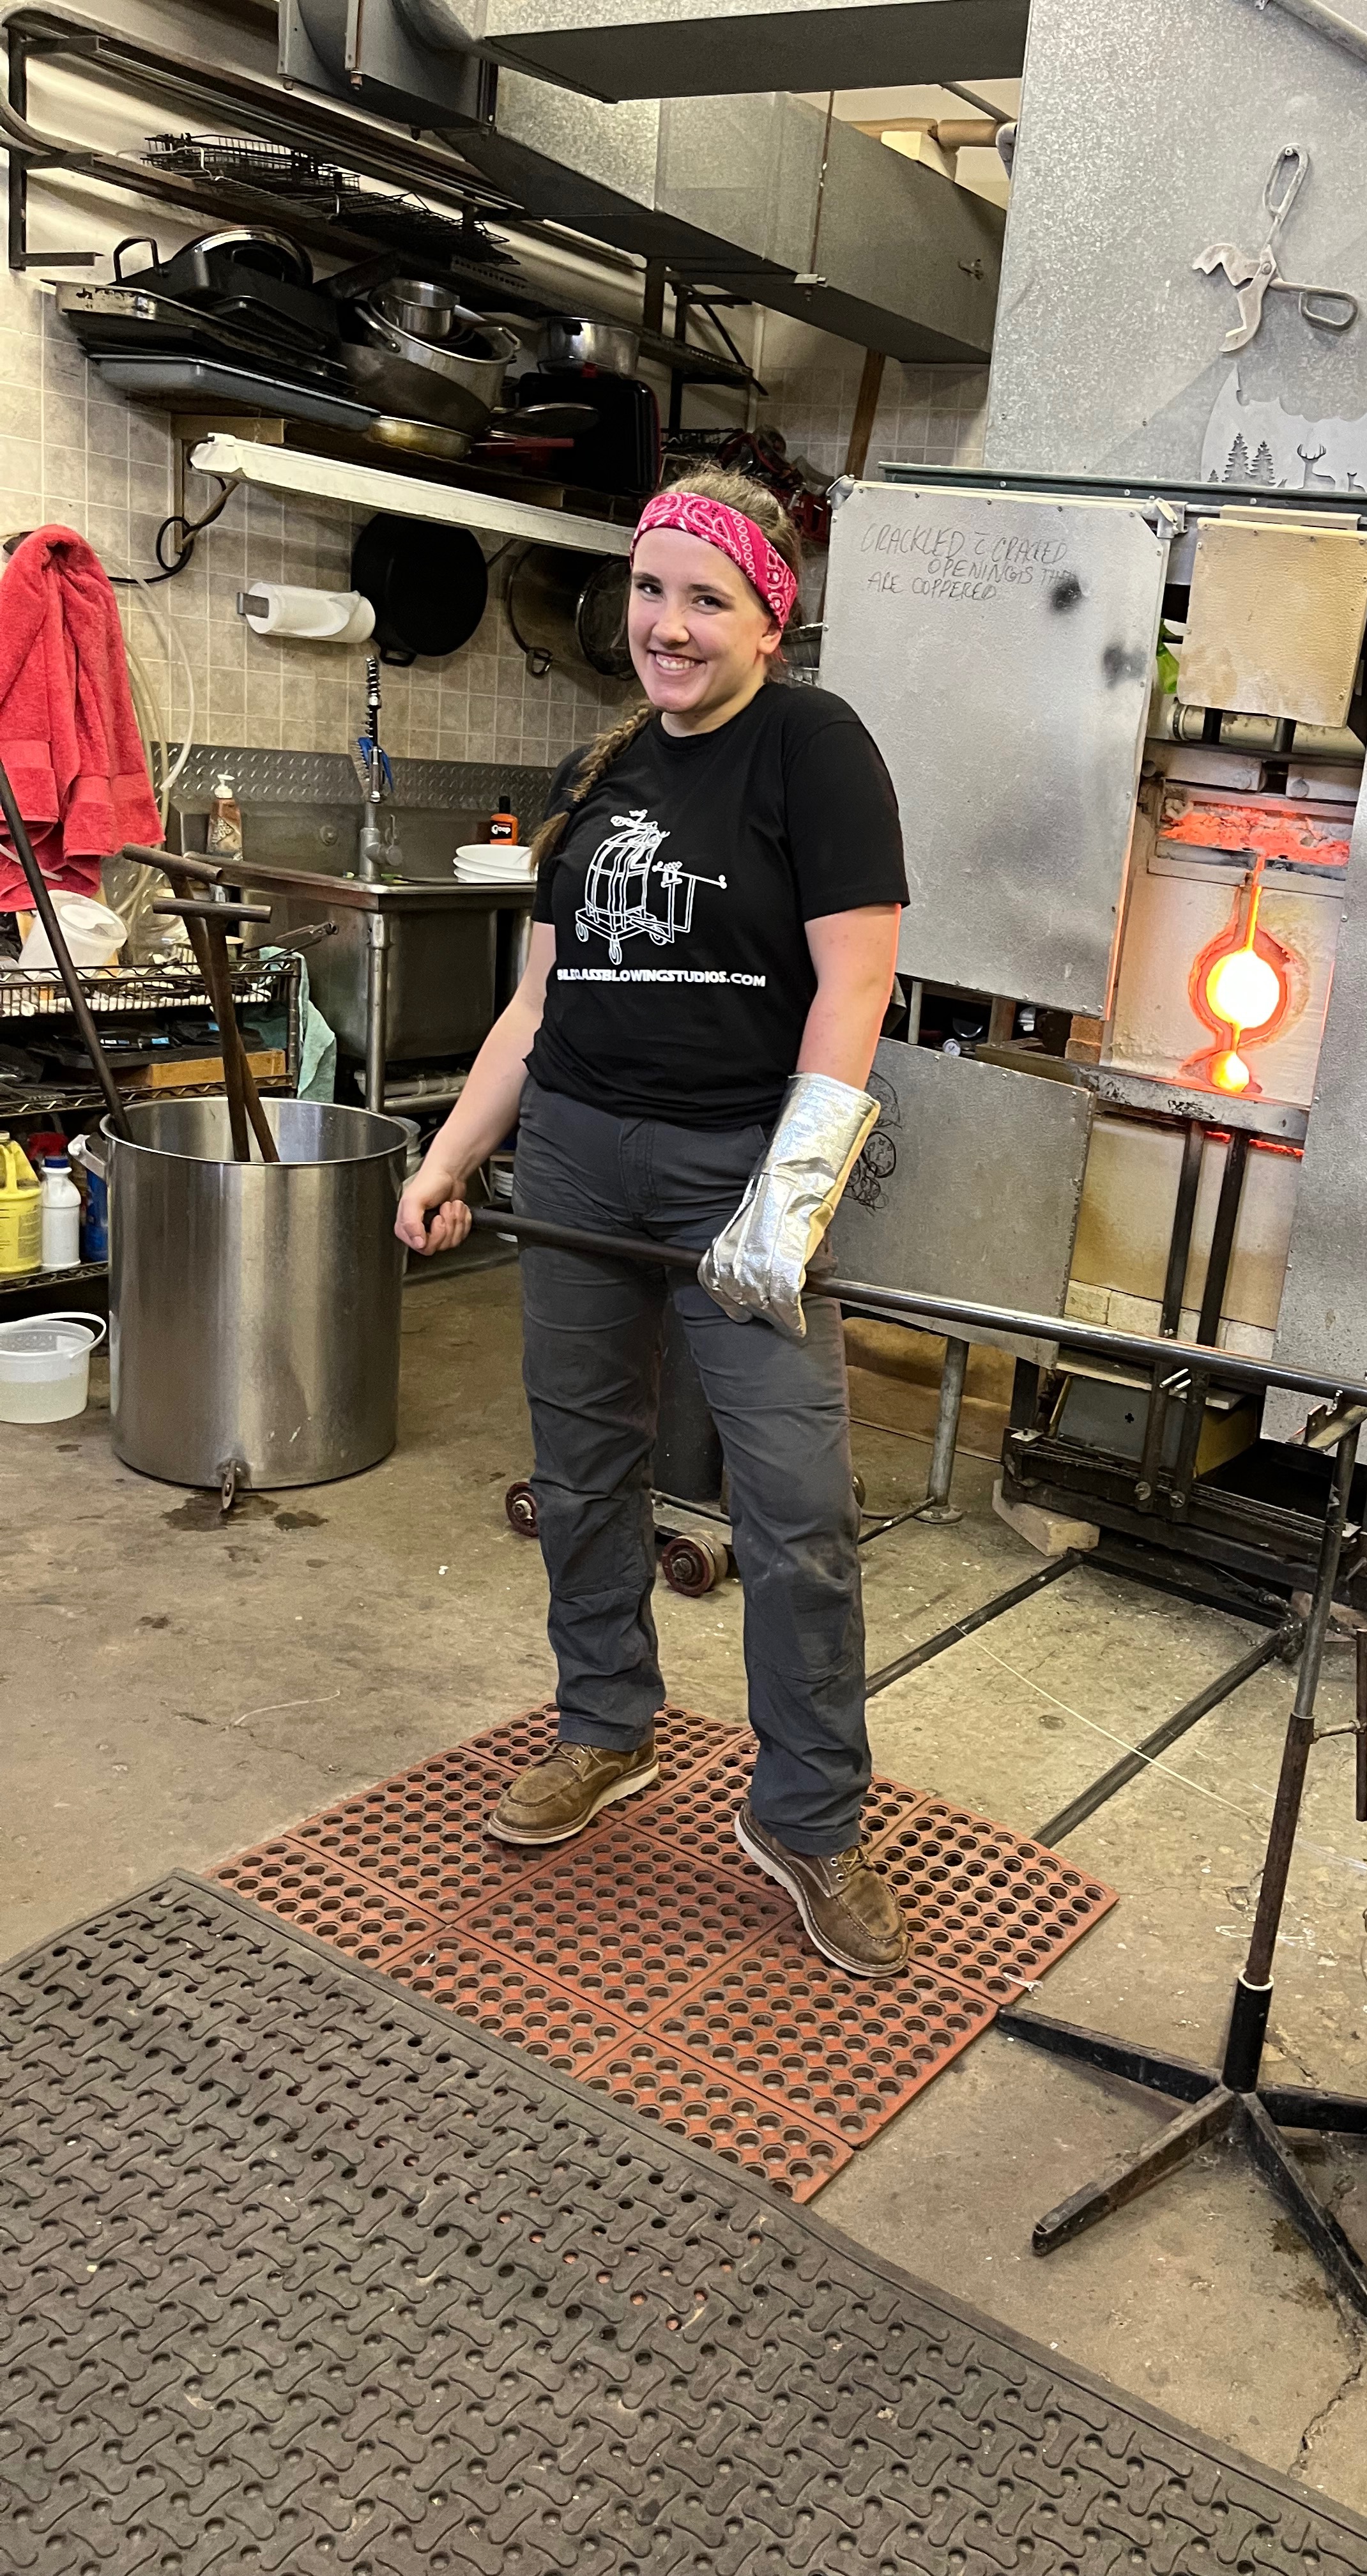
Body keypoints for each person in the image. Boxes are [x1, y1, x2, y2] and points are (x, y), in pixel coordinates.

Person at [397, 470, 912, 1977]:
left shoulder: (816, 748)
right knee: (581, 1465)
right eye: (649, 590)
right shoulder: (598, 765)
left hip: (732, 1164)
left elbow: (857, 986)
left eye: (706, 599)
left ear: (769, 619)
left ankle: (809, 1817)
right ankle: (607, 1722)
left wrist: (790, 1195)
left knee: (795, 1505)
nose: (667, 626)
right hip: (573, 1160)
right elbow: (535, 1007)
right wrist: (448, 1160)